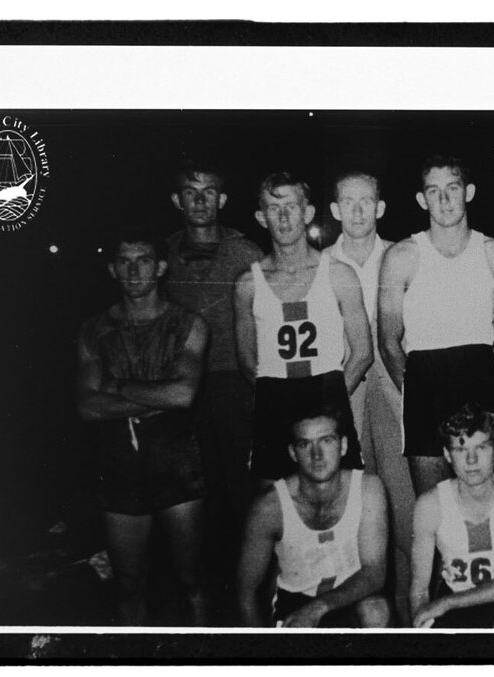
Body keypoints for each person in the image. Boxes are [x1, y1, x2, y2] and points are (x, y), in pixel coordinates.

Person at [76, 227, 210, 625]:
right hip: (120, 462)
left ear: (161, 267)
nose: (135, 271)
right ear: (113, 269)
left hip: (177, 458)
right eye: (125, 261)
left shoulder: (188, 323)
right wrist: (155, 395)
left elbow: (183, 395)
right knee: (129, 583)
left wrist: (116, 386)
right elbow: (87, 406)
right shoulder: (93, 330)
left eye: (144, 260)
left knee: (192, 580)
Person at [378, 155, 494, 497]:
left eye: (452, 188)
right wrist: (416, 387)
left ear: (468, 192)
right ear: (421, 199)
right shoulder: (401, 257)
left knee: (493, 507)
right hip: (425, 384)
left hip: (481, 379)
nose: (444, 200)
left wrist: (478, 375)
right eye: (434, 191)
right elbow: (388, 341)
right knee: (434, 508)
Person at [164, 158, 264, 609]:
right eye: (191, 191)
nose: (200, 200)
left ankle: (252, 594)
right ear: (177, 200)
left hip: (234, 384)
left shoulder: (247, 252)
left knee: (242, 494)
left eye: (209, 192)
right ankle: (202, 597)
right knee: (189, 497)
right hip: (179, 393)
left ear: (222, 200)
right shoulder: (160, 255)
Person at [234, 172, 373, 484]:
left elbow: (363, 353)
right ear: (261, 216)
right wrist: (277, 401)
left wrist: (329, 405)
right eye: (273, 208)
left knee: (341, 496)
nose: (283, 217)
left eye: (292, 207)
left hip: (327, 393)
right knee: (275, 505)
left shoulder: (339, 274)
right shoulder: (247, 284)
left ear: (308, 213)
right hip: (274, 397)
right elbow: (246, 360)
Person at [323, 171, 415, 624]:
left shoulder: (403, 257)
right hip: (345, 396)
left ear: (380, 207)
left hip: (396, 395)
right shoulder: (320, 263)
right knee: (355, 515)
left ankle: (410, 622)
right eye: (348, 202)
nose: (358, 211)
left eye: (367, 202)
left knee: (405, 515)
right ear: (335, 209)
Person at [236, 407, 391, 627]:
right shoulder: (270, 506)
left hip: (351, 596)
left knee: (376, 610)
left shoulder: (368, 488)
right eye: (305, 444)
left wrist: (318, 609)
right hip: (294, 601)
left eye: (326, 441)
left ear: (343, 445)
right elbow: (246, 594)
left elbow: (375, 573)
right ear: (292, 452)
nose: (316, 455)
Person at [409, 403, 494, 628]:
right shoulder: (431, 504)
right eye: (461, 450)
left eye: (481, 448)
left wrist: (448, 603)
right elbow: (419, 588)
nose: (471, 461)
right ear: (447, 455)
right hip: (455, 602)